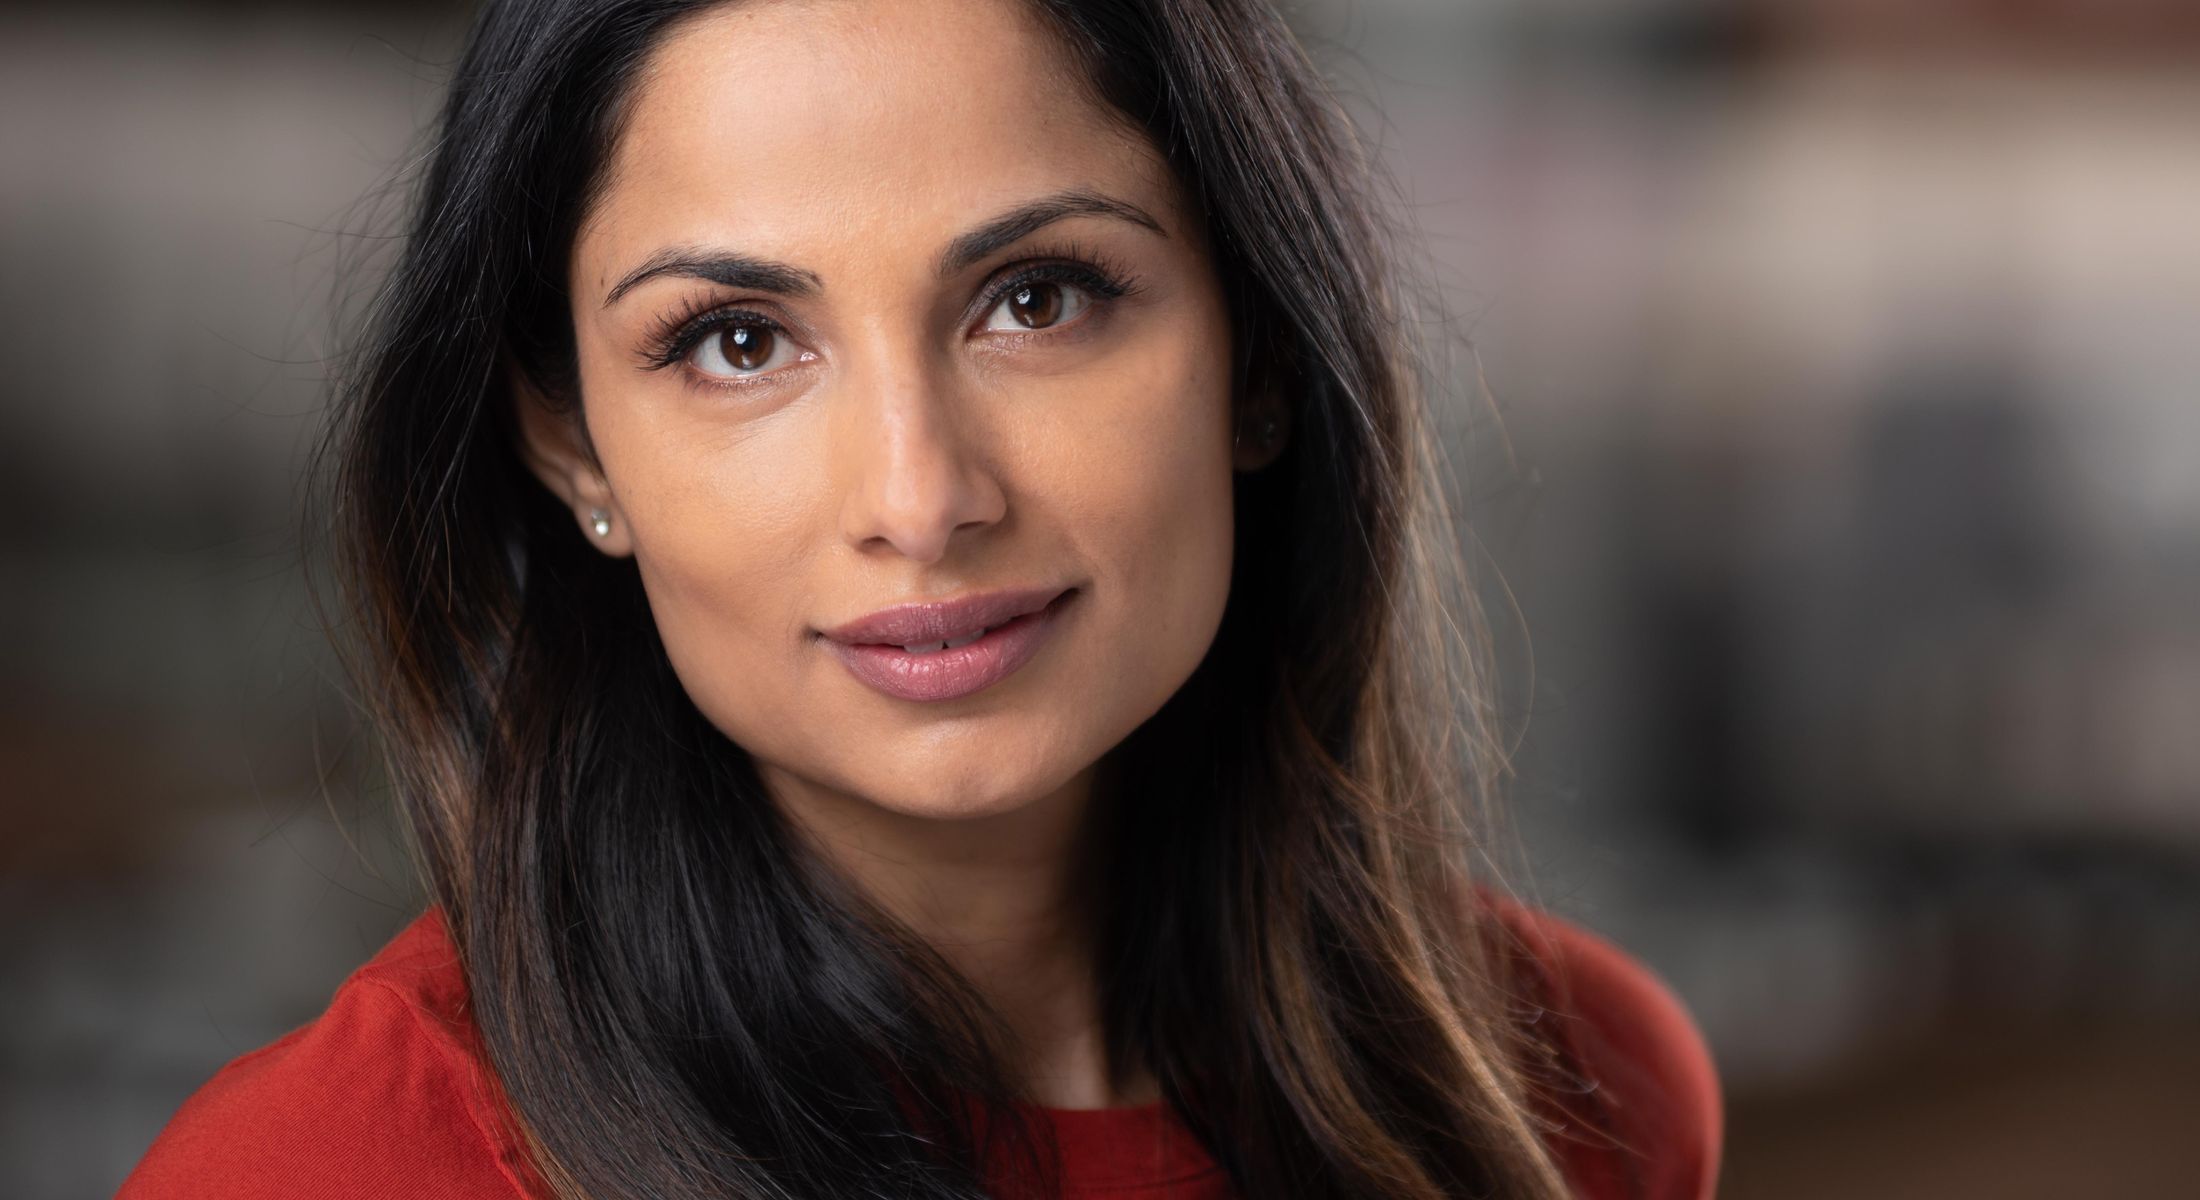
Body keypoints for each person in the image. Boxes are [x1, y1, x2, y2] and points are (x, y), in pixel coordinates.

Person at [120, 0, 1721, 1196]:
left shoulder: (1574, 1094)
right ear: (571, 439)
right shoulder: (335, 1168)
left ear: (1263, 357)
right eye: (738, 341)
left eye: (1037, 300)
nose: (919, 497)